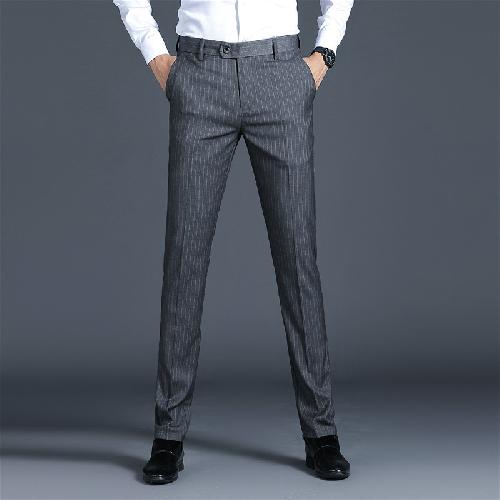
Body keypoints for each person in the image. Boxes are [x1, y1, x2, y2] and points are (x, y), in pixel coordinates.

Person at [112, 0, 354, 484]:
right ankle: (168, 433)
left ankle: (321, 431)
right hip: (200, 75)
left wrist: (325, 50)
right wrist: (153, 51)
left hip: (279, 74)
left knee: (298, 260)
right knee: (184, 259)